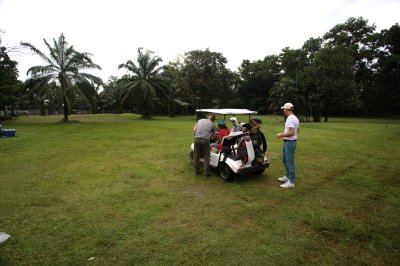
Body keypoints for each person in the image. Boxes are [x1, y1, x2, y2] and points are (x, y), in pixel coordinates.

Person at [276, 103, 299, 188]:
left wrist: (280, 135)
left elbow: (291, 132)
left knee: (289, 161)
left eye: (283, 109)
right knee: (285, 159)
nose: (283, 111)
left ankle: (291, 182)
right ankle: (288, 176)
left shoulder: (290, 119)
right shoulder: (295, 118)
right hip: (289, 142)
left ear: (286, 109)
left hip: (290, 142)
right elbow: (297, 131)